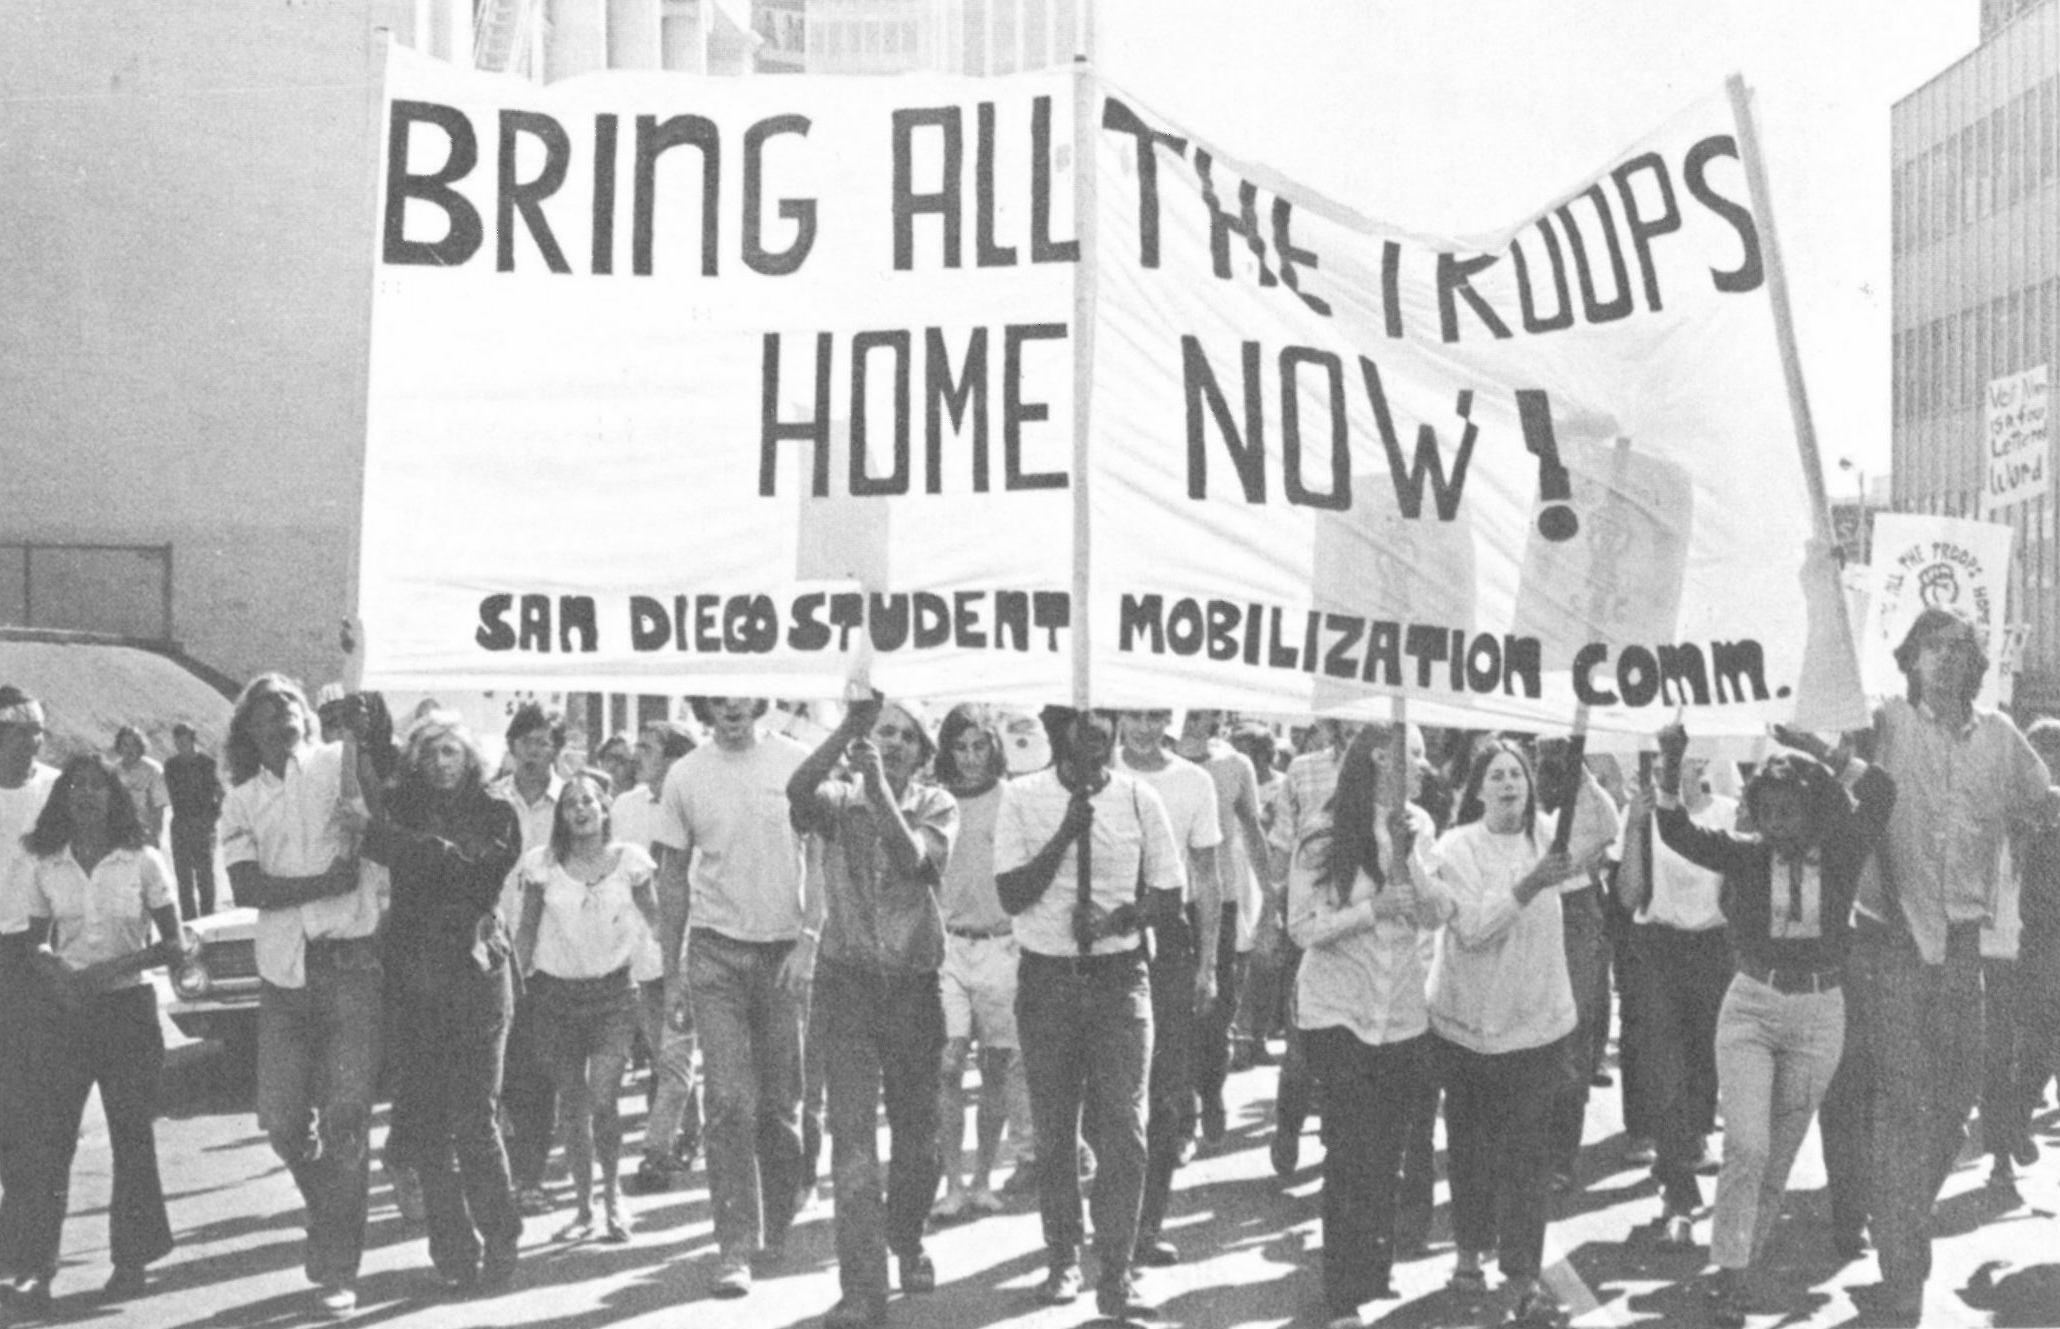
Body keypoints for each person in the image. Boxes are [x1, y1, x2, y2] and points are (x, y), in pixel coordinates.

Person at [1845, 607, 2059, 1322]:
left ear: (1976, 663)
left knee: (1961, 1093)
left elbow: (2044, 803)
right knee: (1907, 1101)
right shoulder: (1883, 724)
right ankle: (1904, 1273)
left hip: (1963, 945)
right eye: (1931, 647)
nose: (1944, 658)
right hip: (1893, 940)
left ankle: (1893, 1208)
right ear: (1908, 658)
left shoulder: (2000, 737)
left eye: (1958, 648)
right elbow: (1822, 719)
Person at [1641, 722, 1893, 1327]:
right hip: (1752, 1004)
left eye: (1788, 812)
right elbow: (1676, 830)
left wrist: (1818, 749)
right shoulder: (1747, 852)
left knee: (1778, 1155)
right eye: (1766, 812)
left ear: (1815, 809)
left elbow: (1882, 791)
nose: (1776, 825)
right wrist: (1673, 761)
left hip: (1819, 1013)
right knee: (1747, 1144)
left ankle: (1741, 1266)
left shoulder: (1843, 847)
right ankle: (1730, 1269)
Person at [996, 706, 1181, 1323]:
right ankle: (1061, 1256)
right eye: (1084, 718)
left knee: (1124, 1130)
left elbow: (1168, 894)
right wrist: (1066, 835)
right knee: (1055, 1131)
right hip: (1047, 978)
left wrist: (1119, 920)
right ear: (1060, 727)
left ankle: (1119, 1270)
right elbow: (1012, 893)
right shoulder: (1022, 797)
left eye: (1106, 718)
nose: (1096, 729)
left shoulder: (1137, 799)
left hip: (1118, 980)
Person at [1427, 736, 1614, 1326]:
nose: (1510, 785)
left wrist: (1577, 760)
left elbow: (1605, 823)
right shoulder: (1456, 847)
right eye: (1498, 776)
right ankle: (1466, 1253)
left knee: (1528, 1154)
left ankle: (1524, 1273)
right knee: (1473, 1147)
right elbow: (1476, 930)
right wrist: (1531, 883)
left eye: (1519, 775)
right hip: (1469, 1030)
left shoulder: (1549, 836)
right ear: (1477, 788)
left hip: (1537, 1027)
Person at [218, 674, 386, 1319]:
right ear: (248, 733)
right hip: (285, 974)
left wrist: (357, 731)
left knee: (346, 1120)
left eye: (290, 705)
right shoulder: (241, 801)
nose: (282, 718)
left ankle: (338, 1265)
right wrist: (323, 883)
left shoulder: (337, 765)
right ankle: (327, 1204)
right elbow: (247, 888)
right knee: (283, 1121)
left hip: (351, 964)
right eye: (266, 713)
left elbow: (371, 797)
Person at [788, 693, 958, 1329]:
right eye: (883, 732)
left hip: (913, 989)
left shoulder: (938, 804)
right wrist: (844, 733)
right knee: (853, 1141)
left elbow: (919, 863)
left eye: (905, 736)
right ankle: (862, 1286)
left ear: (923, 752)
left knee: (920, 1140)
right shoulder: (838, 797)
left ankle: (907, 1237)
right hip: (848, 985)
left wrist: (880, 786)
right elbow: (799, 789)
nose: (891, 743)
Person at [4, 756, 185, 1309]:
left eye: (97, 787)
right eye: (75, 787)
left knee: (132, 1136)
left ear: (114, 797)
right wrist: (57, 975)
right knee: (49, 1142)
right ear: (61, 799)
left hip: (127, 1010)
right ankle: (35, 1268)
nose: (86, 796)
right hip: (64, 1013)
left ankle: (132, 1260)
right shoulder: (44, 862)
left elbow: (174, 944)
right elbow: (36, 940)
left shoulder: (143, 860)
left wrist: (106, 972)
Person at [360, 709, 524, 1292]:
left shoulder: (497, 812)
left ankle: (502, 1236)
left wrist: (416, 851)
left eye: (449, 751)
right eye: (428, 753)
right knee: (427, 1121)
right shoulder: (401, 807)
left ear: (469, 756)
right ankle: (452, 1247)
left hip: (475, 975)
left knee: (475, 1115)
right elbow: (373, 832)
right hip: (414, 979)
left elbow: (479, 877)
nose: (440, 763)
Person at [653, 697, 812, 1299]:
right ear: (705, 708)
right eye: (718, 703)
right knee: (726, 1103)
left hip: (781, 953)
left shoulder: (797, 762)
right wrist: (672, 974)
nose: (731, 712)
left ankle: (780, 1215)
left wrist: (811, 940)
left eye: (740, 699)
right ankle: (734, 1246)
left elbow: (819, 855)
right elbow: (672, 878)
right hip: (715, 953)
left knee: (779, 1105)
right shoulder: (687, 774)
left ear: (759, 700)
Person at [1287, 725, 1442, 1329]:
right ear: (1383, 758)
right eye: (1418, 755)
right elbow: (1303, 926)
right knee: (1349, 1150)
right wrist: (1370, 910)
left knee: (1388, 1150)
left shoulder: (1420, 826)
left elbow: (1435, 913)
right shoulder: (1325, 831)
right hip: (1338, 1012)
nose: (1426, 768)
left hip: (1401, 1012)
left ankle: (1374, 1263)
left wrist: (1410, 863)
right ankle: (1341, 1291)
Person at [514, 773, 659, 1245]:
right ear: (561, 816)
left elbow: (659, 924)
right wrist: (512, 986)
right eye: (570, 803)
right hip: (555, 998)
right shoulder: (542, 865)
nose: (579, 810)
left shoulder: (631, 861)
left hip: (615, 996)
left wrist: (678, 977)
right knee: (573, 1108)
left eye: (589, 802)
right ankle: (583, 1207)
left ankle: (614, 1197)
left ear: (604, 809)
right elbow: (527, 932)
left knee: (604, 1099)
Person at [1112, 708, 1219, 1266]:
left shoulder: (1193, 782)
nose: (1146, 728)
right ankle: (1108, 1224)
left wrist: (1208, 965)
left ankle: (1144, 1230)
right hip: (1104, 942)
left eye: (1157, 716)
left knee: (1166, 1097)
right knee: (1109, 1097)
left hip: (1169, 946)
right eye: (1136, 715)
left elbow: (1206, 877)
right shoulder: (1098, 771)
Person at [1615, 738, 1734, 1237]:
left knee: (1704, 1071)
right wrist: (1639, 827)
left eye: (1679, 760)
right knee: (1666, 1067)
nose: (1668, 768)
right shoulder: (1639, 814)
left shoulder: (1728, 814)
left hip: (1714, 951)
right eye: (1663, 760)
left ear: (1702, 762)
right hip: (1658, 949)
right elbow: (1628, 896)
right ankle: (1679, 1195)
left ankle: (1676, 1160)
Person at [930, 704, 1031, 1220]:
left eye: (979, 747)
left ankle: (982, 1179)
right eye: (960, 747)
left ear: (994, 747)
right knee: (947, 1067)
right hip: (948, 946)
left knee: (995, 1068)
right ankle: (951, 1183)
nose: (970, 758)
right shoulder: (934, 800)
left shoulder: (1011, 799)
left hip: (1000, 945)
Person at [1173, 709, 1273, 1148]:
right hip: (1170, 903)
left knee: (1217, 1012)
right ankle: (1183, 1114)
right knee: (1174, 1013)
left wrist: (1272, 901)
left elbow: (1253, 831)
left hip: (1224, 903)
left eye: (1203, 714)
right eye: (1188, 713)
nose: (1196, 723)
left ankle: (1210, 1090)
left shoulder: (1234, 766)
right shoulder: (1146, 762)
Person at [612, 721, 702, 1194]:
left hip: (686, 953)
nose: (636, 755)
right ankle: (691, 1131)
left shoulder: (695, 800)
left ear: (673, 757)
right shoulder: (624, 806)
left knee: (673, 1059)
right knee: (664, 1055)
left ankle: (656, 1151)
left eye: (647, 748)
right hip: (639, 954)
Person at [1265, 717, 1356, 1176]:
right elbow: (1281, 845)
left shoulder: (1395, 767)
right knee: (1303, 1045)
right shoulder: (1303, 771)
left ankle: (1337, 1144)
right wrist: (1270, 914)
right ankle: (1288, 1123)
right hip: (1310, 924)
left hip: (1364, 925)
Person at [491, 703, 567, 1214]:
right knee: (501, 1069)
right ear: (513, 747)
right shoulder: (490, 801)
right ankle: (506, 1174)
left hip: (556, 952)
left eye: (545, 742)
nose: (536, 752)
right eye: (527, 742)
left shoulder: (574, 802)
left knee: (541, 1070)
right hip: (496, 950)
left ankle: (532, 1175)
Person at [0, 683, 59, 1258]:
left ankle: (25, 1238)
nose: (35, 742)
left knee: (29, 1097)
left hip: (36, 952)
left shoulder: (56, 790)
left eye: (40, 731)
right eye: (23, 732)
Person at [1227, 722, 1286, 1072]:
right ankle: (1238, 1037)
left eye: (1247, 748)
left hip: (1265, 877)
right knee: (1238, 961)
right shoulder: (1230, 778)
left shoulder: (1280, 787)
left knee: (1265, 964)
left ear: (1265, 753)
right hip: (1235, 874)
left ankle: (1258, 1036)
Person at [164, 723, 224, 919]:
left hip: (203, 823)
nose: (180, 743)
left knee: (205, 876)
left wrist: (213, 819)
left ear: (192, 739)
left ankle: (209, 918)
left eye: (184, 739)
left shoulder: (207, 763)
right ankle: (189, 921)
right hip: (180, 823)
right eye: (177, 739)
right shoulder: (171, 766)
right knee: (183, 878)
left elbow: (219, 793)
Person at [110, 726, 170, 847]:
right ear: (119, 747)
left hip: (145, 834)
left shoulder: (153, 770)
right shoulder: (113, 771)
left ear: (140, 746)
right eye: (125, 745)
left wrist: (154, 837)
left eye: (133, 745)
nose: (129, 750)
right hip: (119, 835)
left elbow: (159, 808)